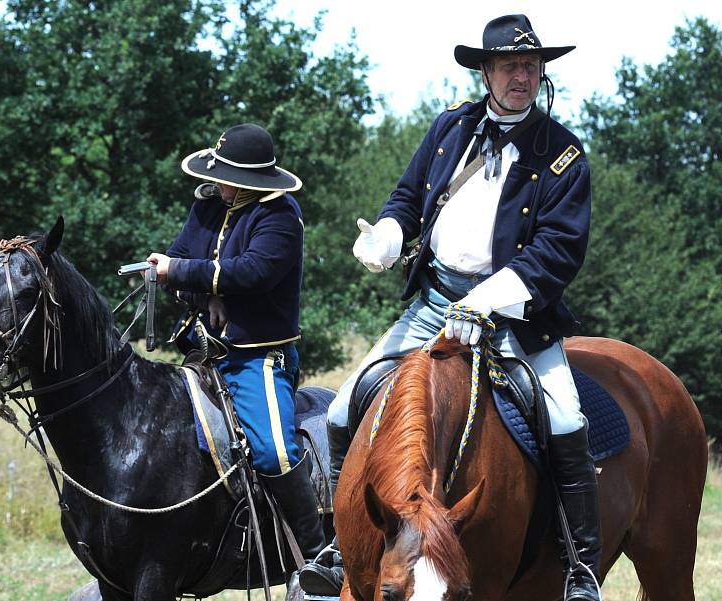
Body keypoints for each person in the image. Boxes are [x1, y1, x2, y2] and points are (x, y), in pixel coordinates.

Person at [299, 14, 601, 601]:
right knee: (341, 408)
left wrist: (488, 300)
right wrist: (387, 234)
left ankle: (579, 568)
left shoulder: (563, 152)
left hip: (514, 317)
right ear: (485, 71)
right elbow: (409, 197)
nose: (523, 75)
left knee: (566, 419)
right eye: (510, 65)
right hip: (433, 306)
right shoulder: (448, 128)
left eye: (531, 65)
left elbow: (559, 250)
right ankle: (337, 549)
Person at [147, 123, 326, 571]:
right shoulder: (207, 206)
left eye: (228, 174)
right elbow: (178, 262)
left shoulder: (281, 216)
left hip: (258, 357)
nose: (219, 181)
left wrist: (191, 276)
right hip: (201, 350)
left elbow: (254, 272)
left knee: (273, 451)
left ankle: (320, 552)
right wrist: (206, 292)